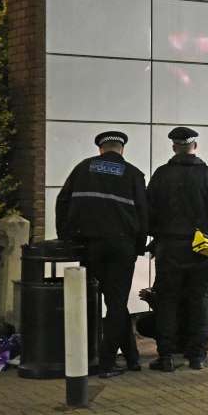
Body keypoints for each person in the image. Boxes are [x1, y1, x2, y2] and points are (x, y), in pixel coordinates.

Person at [55, 130, 148, 378]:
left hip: (89, 246)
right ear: (122, 150)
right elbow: (143, 214)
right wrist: (139, 247)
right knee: (116, 303)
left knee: (100, 302)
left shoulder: (82, 169)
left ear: (100, 149)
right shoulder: (133, 174)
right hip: (121, 247)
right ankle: (106, 364)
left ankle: (131, 357)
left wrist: (66, 238)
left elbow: (62, 201)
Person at [146, 127, 208, 371]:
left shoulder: (161, 175)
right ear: (194, 147)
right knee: (199, 301)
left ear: (174, 147)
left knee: (167, 301)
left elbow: (146, 210)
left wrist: (158, 234)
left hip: (168, 249)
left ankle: (166, 357)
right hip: (198, 248)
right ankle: (197, 356)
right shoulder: (207, 175)